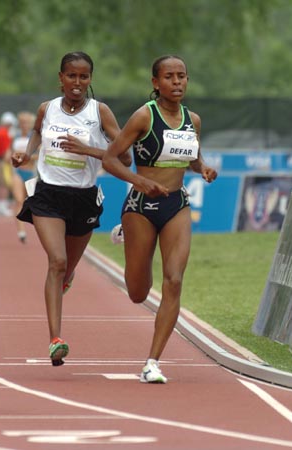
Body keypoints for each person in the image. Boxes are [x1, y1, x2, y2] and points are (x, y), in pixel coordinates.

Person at [102, 55, 218, 384]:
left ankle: (152, 361)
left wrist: (203, 167)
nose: (177, 82)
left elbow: (194, 157)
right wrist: (140, 181)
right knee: (138, 293)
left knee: (175, 280)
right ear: (156, 83)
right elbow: (111, 159)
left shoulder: (192, 120)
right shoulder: (143, 116)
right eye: (169, 77)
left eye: (182, 76)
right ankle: (126, 232)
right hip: (141, 206)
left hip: (176, 205)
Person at [11, 51, 131, 367]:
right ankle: (55, 340)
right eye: (71, 76)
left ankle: (67, 275)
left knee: (66, 268)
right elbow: (37, 131)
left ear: (90, 79)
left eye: (84, 77)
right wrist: (27, 154)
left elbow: (126, 158)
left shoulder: (99, 112)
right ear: (61, 78)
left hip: (84, 198)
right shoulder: (46, 109)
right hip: (48, 195)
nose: (77, 83)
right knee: (57, 261)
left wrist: (88, 149)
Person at [8, 111, 37, 243]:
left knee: (32, 203)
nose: (24, 125)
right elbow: (9, 154)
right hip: (18, 173)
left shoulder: (35, 137)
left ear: (31, 124)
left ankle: (40, 229)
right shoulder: (15, 137)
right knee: (19, 200)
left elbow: (41, 153)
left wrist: (27, 157)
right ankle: (21, 231)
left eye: (27, 122)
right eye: (22, 122)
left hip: (31, 173)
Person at [0, 112, 17, 216]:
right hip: (3, 162)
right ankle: (2, 207)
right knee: (5, 184)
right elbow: (7, 152)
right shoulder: (5, 134)